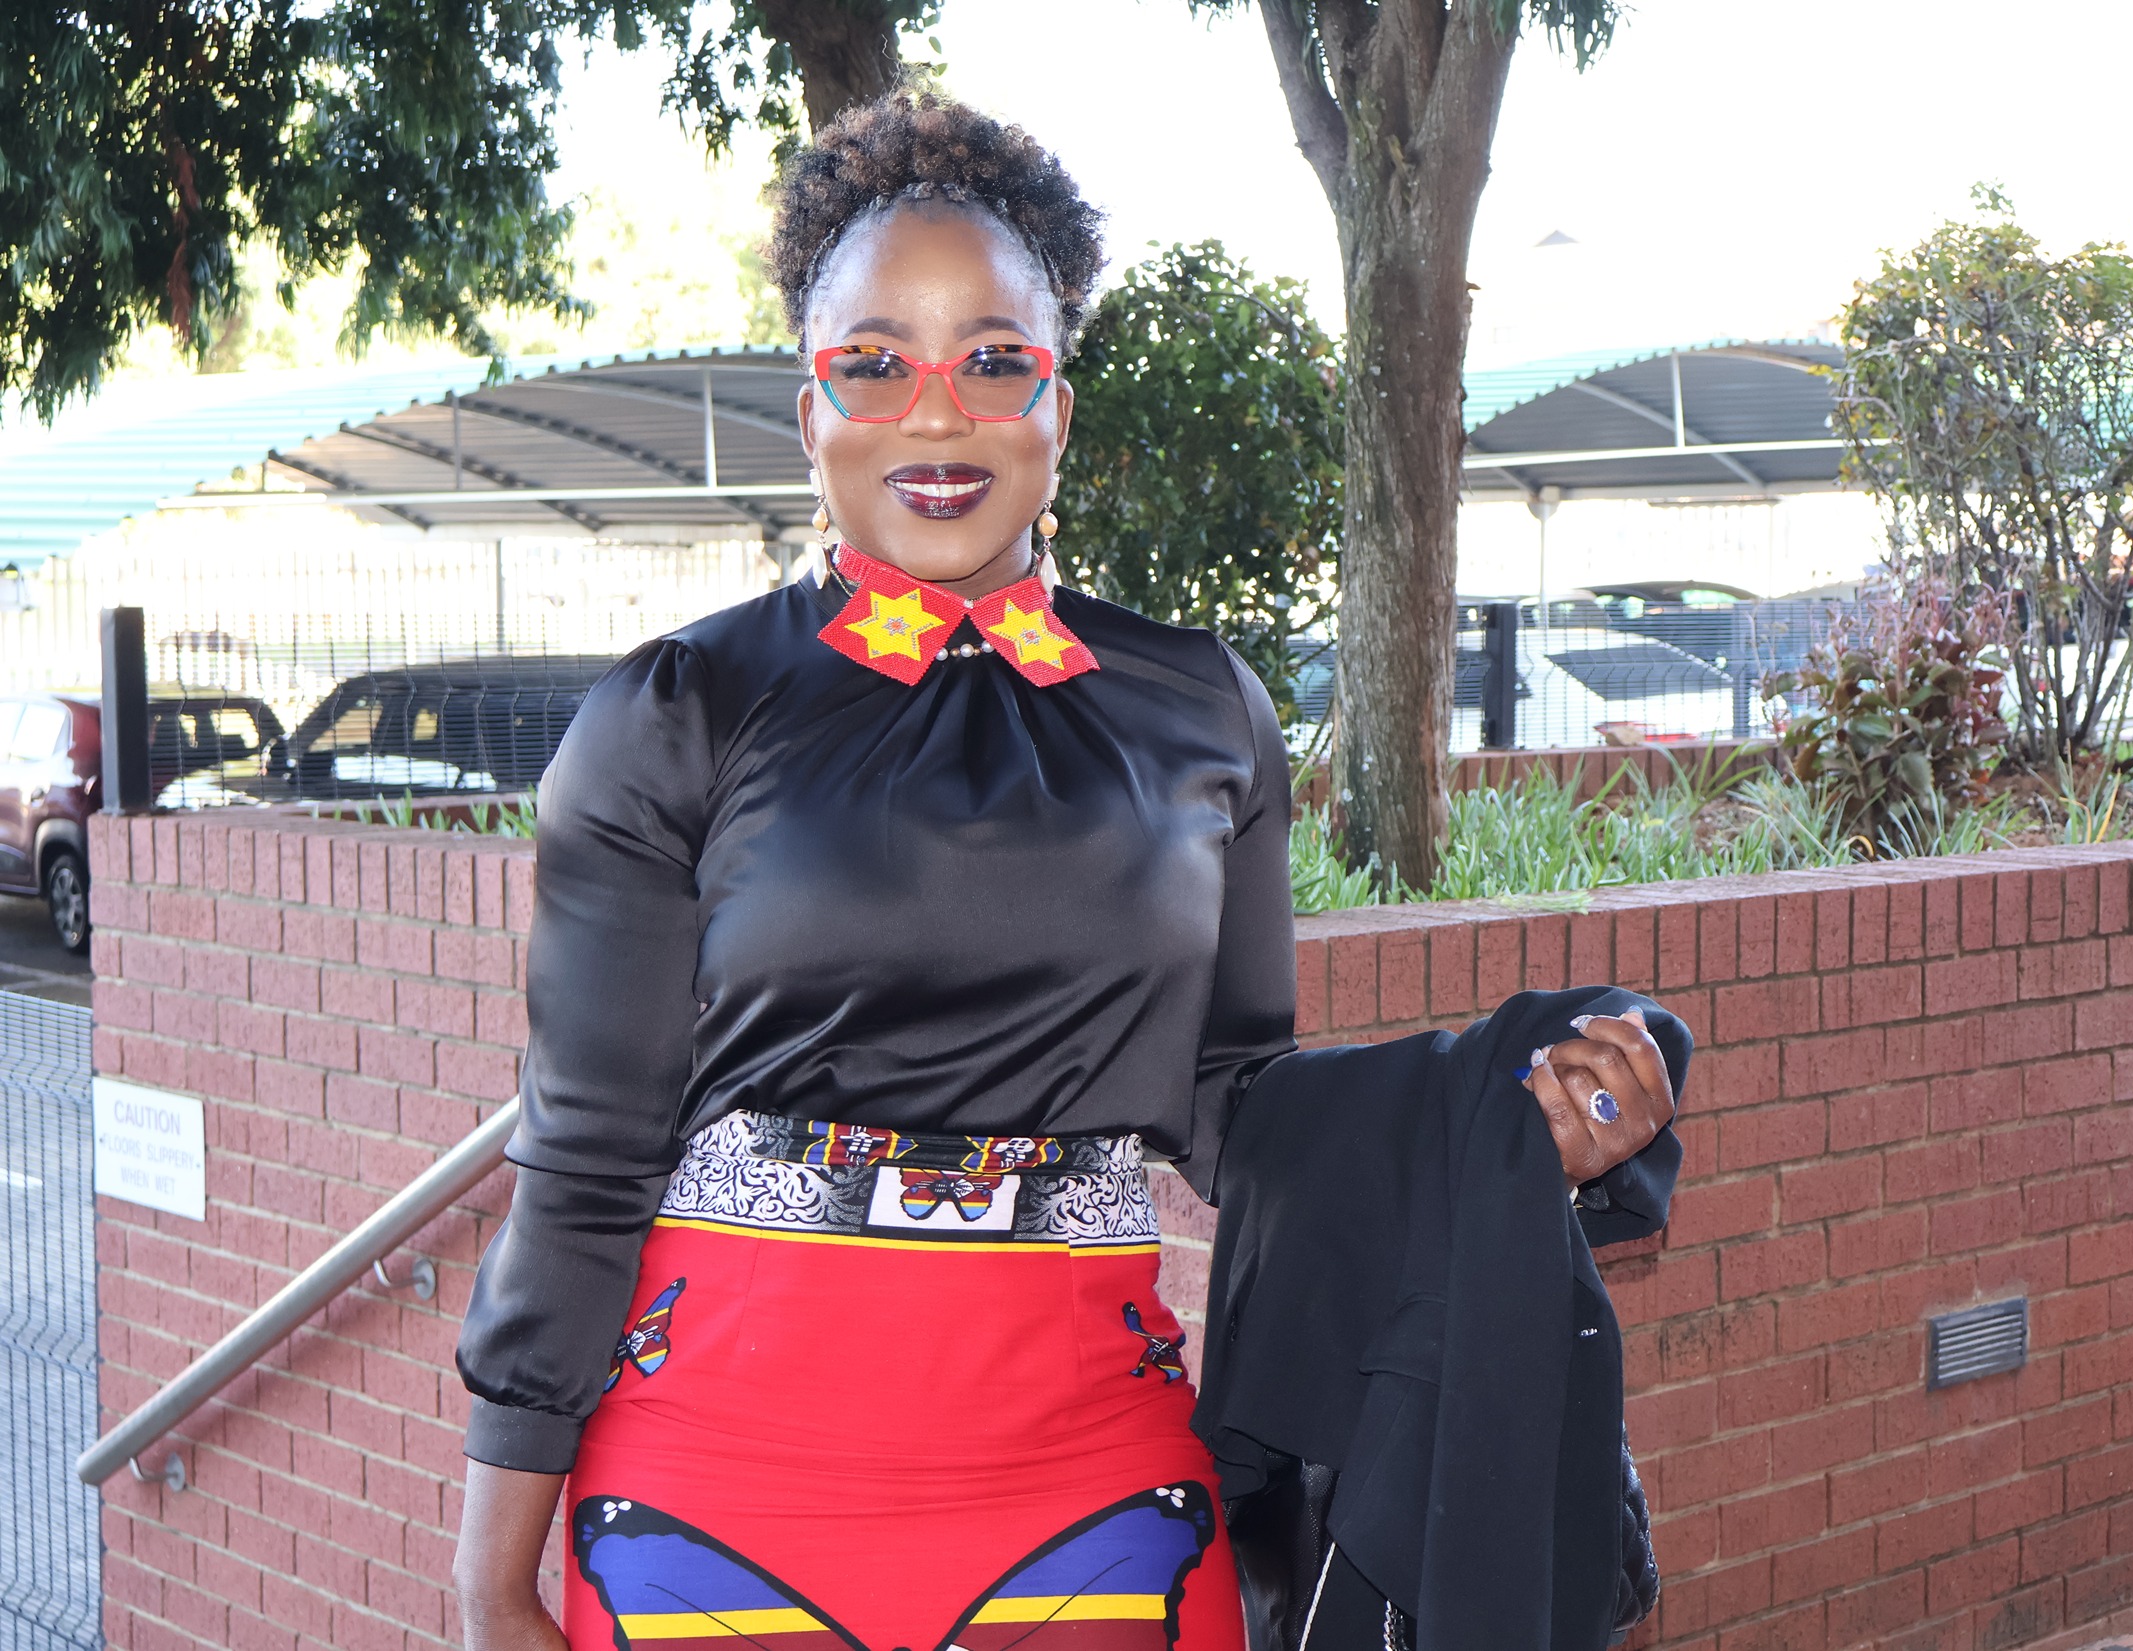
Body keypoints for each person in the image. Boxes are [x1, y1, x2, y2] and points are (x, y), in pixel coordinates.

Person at [451, 91, 1676, 1651]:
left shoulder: (1202, 708)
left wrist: (1495, 1123)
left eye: (993, 361)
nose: (936, 415)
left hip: (1091, 1491)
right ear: (810, 412)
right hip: (718, 1487)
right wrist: (490, 1580)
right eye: (874, 364)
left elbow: (1237, 1098)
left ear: (1058, 406)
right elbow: (586, 1155)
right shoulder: (675, 712)